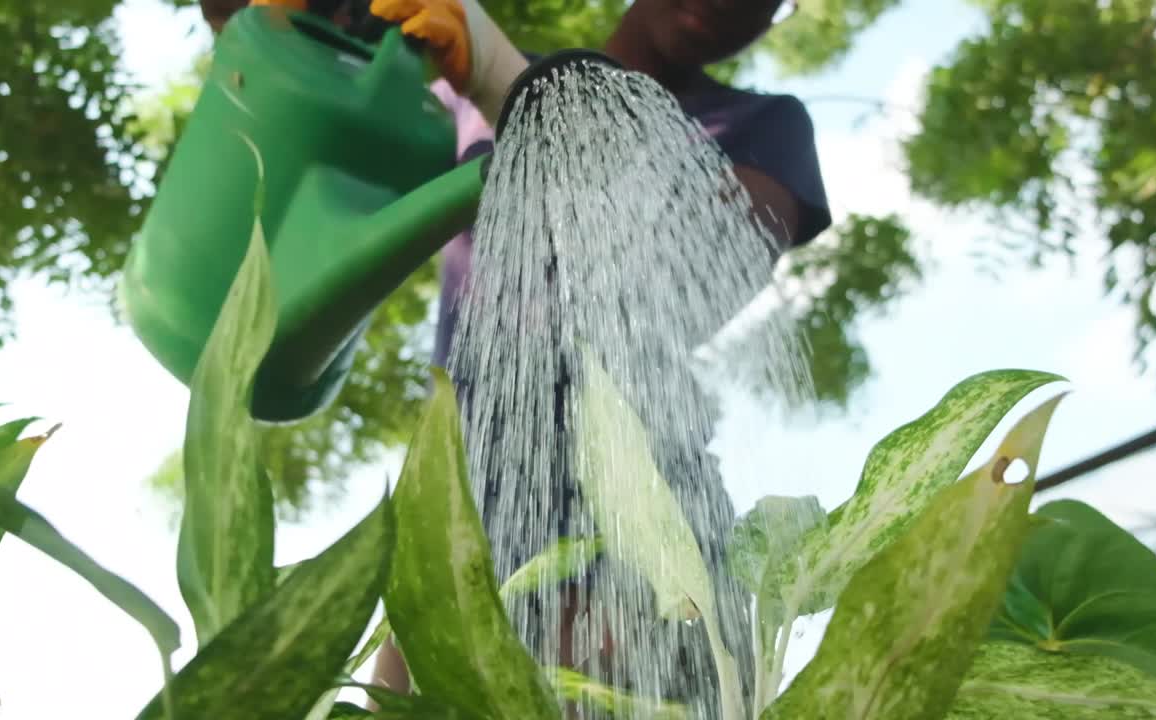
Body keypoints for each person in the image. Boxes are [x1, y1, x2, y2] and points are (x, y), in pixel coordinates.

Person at [199, 0, 831, 714]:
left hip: (642, 500)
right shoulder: (452, 77)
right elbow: (311, 112)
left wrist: (508, 83)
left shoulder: (764, 126)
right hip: (463, 488)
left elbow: (698, 266)